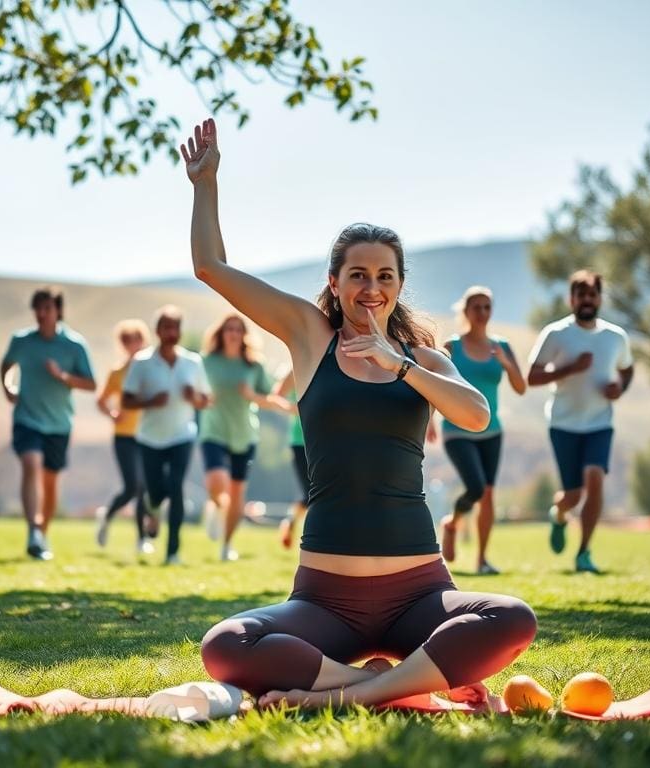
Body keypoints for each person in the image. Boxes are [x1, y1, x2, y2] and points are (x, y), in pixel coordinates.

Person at [182, 118, 537, 710]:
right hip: (325, 600)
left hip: (419, 593)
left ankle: (342, 696)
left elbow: (476, 416)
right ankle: (384, 684)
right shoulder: (309, 337)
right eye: (358, 275)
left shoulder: (424, 358)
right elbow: (210, 267)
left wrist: (400, 366)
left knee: (512, 618)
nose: (371, 288)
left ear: (398, 285)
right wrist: (206, 185)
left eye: (384, 276)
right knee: (227, 644)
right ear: (335, 281)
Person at [526, 270, 633, 574]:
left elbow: (626, 369)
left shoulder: (615, 336)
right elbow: (532, 376)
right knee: (573, 496)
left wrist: (619, 388)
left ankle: (584, 552)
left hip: (600, 423)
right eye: (581, 294)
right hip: (563, 424)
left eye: (592, 294)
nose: (587, 300)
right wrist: (570, 369)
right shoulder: (556, 333)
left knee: (595, 478)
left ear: (600, 299)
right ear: (571, 299)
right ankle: (559, 514)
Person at [430, 286, 526, 575]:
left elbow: (520, 387)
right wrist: (429, 420)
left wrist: (506, 364)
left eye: (487, 307)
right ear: (466, 311)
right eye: (476, 307)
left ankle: (482, 560)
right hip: (456, 429)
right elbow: (432, 383)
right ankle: (453, 523)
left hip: (491, 430)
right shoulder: (452, 347)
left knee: (488, 494)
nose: (482, 312)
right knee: (476, 487)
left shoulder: (502, 347)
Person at [1, 287, 96, 560]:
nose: (42, 314)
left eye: (47, 308)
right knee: (30, 464)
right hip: (27, 418)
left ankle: (41, 535)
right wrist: (8, 387)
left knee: (50, 483)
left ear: (58, 311)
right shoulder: (21, 341)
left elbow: (91, 384)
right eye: (38, 309)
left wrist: (63, 376)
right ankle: (33, 531)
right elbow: (5, 365)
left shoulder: (74, 345)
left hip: (58, 424)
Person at [121, 305, 211, 565]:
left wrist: (194, 398)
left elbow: (206, 400)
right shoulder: (141, 362)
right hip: (149, 438)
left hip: (182, 436)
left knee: (176, 486)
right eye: (166, 327)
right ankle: (152, 504)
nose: (172, 332)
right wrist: (150, 402)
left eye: (175, 327)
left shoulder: (193, 362)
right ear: (157, 331)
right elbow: (126, 401)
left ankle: (173, 551)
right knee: (156, 493)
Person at [199, 313, 290, 561]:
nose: (233, 334)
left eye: (238, 329)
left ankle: (227, 545)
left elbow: (271, 399)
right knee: (216, 482)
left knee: (237, 494)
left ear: (244, 335)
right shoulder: (206, 362)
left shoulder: (253, 365)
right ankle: (216, 505)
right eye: (229, 329)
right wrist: (200, 399)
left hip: (245, 435)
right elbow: (194, 390)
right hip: (214, 430)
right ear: (221, 333)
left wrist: (252, 396)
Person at [94, 319, 155, 556]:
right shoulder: (117, 373)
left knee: (144, 488)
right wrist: (112, 414)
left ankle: (142, 538)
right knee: (133, 486)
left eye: (136, 339)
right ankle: (107, 516)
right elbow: (102, 401)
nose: (133, 344)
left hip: (147, 435)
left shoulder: (151, 369)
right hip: (124, 437)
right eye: (127, 340)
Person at [274, 369, 308, 549]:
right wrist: (296, 409)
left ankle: (291, 521)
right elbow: (276, 397)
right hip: (300, 441)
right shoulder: (295, 369)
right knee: (311, 493)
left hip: (329, 439)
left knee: (320, 492)